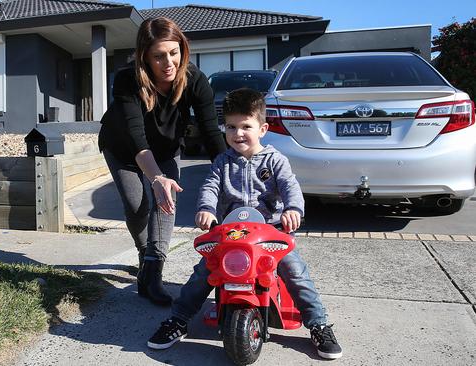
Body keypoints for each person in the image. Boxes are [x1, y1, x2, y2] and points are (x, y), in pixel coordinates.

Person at [147, 88, 343, 360]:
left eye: (246, 126)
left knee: (295, 272)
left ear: (262, 129)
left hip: (270, 235)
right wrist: (206, 209)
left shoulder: (275, 160)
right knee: (204, 272)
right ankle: (178, 320)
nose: (238, 133)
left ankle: (318, 324)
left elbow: (290, 187)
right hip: (231, 235)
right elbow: (210, 188)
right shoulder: (222, 163)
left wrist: (293, 209)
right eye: (231, 126)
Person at [98, 17, 226, 306]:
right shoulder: (126, 79)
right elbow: (136, 137)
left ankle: (152, 273)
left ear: (183, 50)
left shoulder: (195, 80)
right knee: (137, 205)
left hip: (166, 148)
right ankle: (145, 252)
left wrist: (229, 174)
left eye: (174, 52)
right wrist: (155, 177)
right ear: (144, 56)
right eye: (158, 56)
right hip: (124, 147)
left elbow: (211, 133)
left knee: (166, 200)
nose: (168, 62)